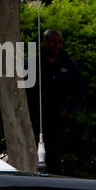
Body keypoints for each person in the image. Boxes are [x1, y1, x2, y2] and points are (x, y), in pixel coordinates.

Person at [26, 28, 85, 175]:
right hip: (37, 119)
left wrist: (68, 110)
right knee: (33, 155)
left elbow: (80, 91)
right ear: (45, 42)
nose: (55, 45)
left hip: (58, 120)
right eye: (52, 42)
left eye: (58, 42)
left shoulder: (69, 65)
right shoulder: (33, 63)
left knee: (55, 157)